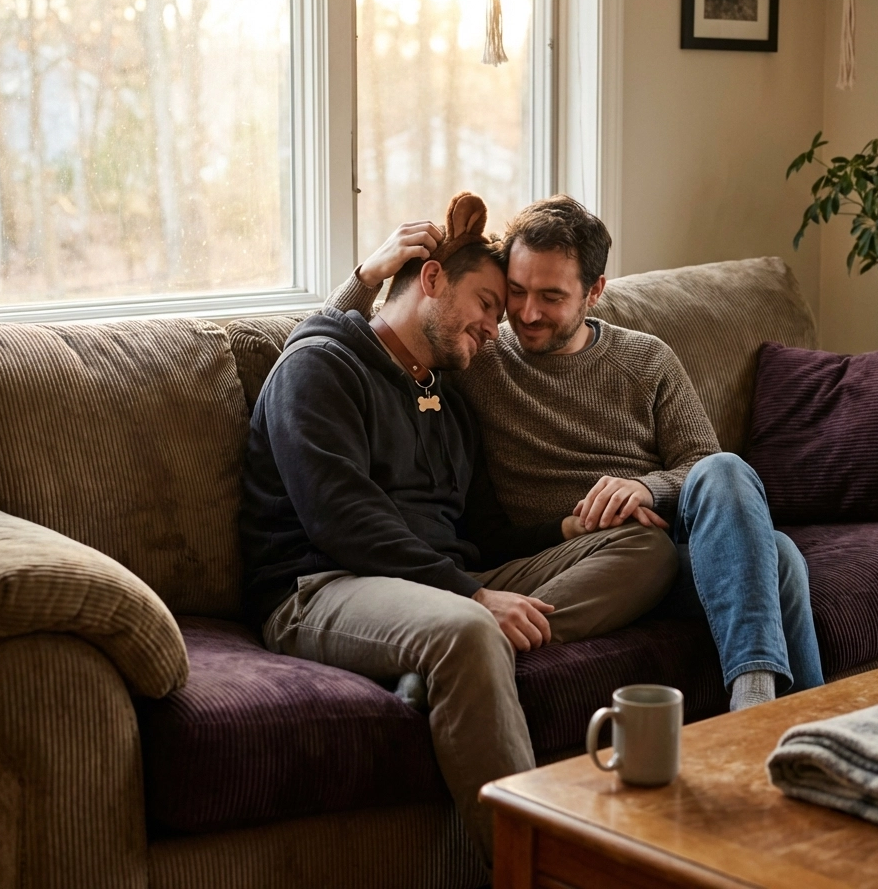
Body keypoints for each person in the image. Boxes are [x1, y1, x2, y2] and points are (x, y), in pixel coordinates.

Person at [239, 192, 678, 864]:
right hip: (322, 582)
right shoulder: (321, 365)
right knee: (470, 629)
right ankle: (533, 870)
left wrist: (571, 527)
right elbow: (339, 517)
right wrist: (470, 600)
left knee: (648, 546)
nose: (495, 328)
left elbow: (483, 534)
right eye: (487, 306)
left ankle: (468, 649)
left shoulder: (444, 397)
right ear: (433, 281)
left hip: (437, 584)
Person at [331, 194, 825, 715]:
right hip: (561, 558)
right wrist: (366, 277)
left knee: (731, 479)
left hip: (660, 541)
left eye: (550, 296)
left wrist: (646, 486)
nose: (526, 313)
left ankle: (761, 710)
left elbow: (704, 470)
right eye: (516, 292)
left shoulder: (646, 359)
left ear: (594, 292)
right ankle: (791, 730)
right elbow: (328, 352)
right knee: (781, 560)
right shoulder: (479, 354)